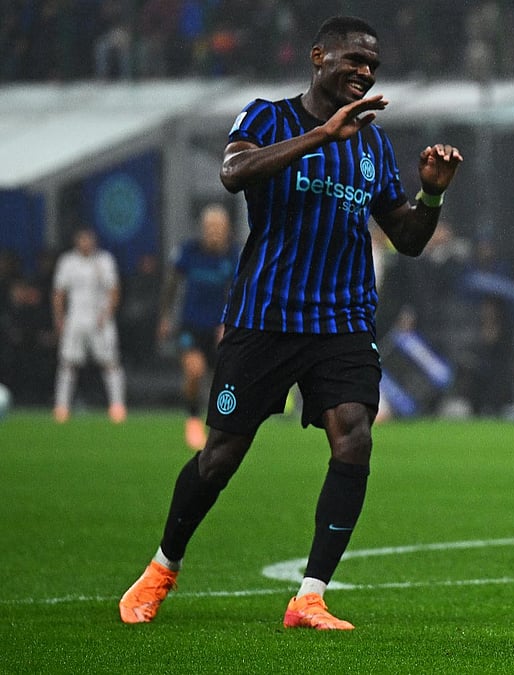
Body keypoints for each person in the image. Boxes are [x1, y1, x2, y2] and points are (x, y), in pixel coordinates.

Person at [118, 16, 462, 630]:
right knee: (221, 455)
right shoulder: (265, 117)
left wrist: (431, 194)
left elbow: (406, 239)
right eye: (354, 59)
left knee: (354, 435)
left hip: (344, 322)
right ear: (319, 57)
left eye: (373, 67)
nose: (364, 72)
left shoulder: (373, 144)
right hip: (266, 318)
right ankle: (161, 568)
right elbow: (234, 173)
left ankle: (310, 596)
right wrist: (322, 136)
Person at [158, 203, 239, 450]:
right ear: (202, 228)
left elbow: (238, 292)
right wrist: (164, 316)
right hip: (190, 326)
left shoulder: (233, 256)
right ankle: (193, 419)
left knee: (221, 381)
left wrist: (229, 323)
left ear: (227, 230)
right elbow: (171, 284)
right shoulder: (188, 252)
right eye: (210, 227)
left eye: (219, 227)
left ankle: (218, 429)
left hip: (219, 328)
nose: (214, 232)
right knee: (194, 371)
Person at [51, 227, 127, 423]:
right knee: (68, 363)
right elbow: (59, 292)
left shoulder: (104, 261)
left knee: (110, 363)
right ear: (77, 241)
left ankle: (117, 406)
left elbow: (114, 291)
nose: (85, 243)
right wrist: (59, 318)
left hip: (100, 319)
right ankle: (62, 407)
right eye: (82, 239)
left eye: (89, 239)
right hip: (75, 318)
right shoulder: (68, 262)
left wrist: (107, 314)